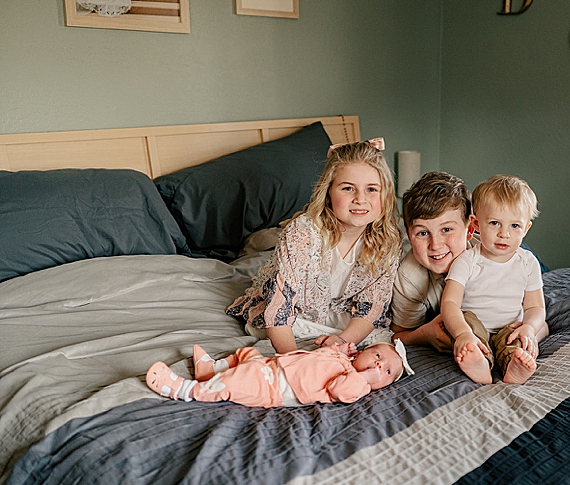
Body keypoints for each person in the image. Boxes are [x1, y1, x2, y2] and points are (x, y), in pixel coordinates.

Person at [232, 140, 403, 355]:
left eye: (371, 189)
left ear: (385, 194)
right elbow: (279, 312)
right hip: (293, 313)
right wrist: (293, 359)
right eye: (348, 188)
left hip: (340, 311)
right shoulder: (303, 234)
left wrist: (341, 341)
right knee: (277, 330)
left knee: (381, 337)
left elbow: (371, 308)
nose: (360, 199)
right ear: (329, 192)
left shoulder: (387, 239)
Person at [440, 175, 547, 387]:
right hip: (474, 327)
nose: (504, 234)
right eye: (495, 223)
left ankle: (513, 364)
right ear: (476, 224)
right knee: (465, 324)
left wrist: (529, 327)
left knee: (520, 338)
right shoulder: (467, 261)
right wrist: (462, 333)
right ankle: (478, 361)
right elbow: (450, 304)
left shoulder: (527, 262)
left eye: (515, 226)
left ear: (526, 229)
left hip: (509, 326)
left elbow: (536, 306)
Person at [145, 340, 410, 409]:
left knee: (237, 382)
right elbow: (320, 357)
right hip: (274, 366)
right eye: (377, 356)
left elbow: (339, 391)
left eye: (386, 371)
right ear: (363, 351)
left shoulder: (358, 384)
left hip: (277, 389)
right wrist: (337, 348)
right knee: (246, 354)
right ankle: (210, 370)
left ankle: (185, 390)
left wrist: (365, 378)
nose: (378, 367)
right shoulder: (343, 359)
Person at [393, 172, 472, 353]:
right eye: (422, 233)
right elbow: (399, 334)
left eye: (446, 229)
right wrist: (425, 335)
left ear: (469, 230)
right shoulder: (410, 276)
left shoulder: (489, 259)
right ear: (410, 237)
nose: (435, 245)